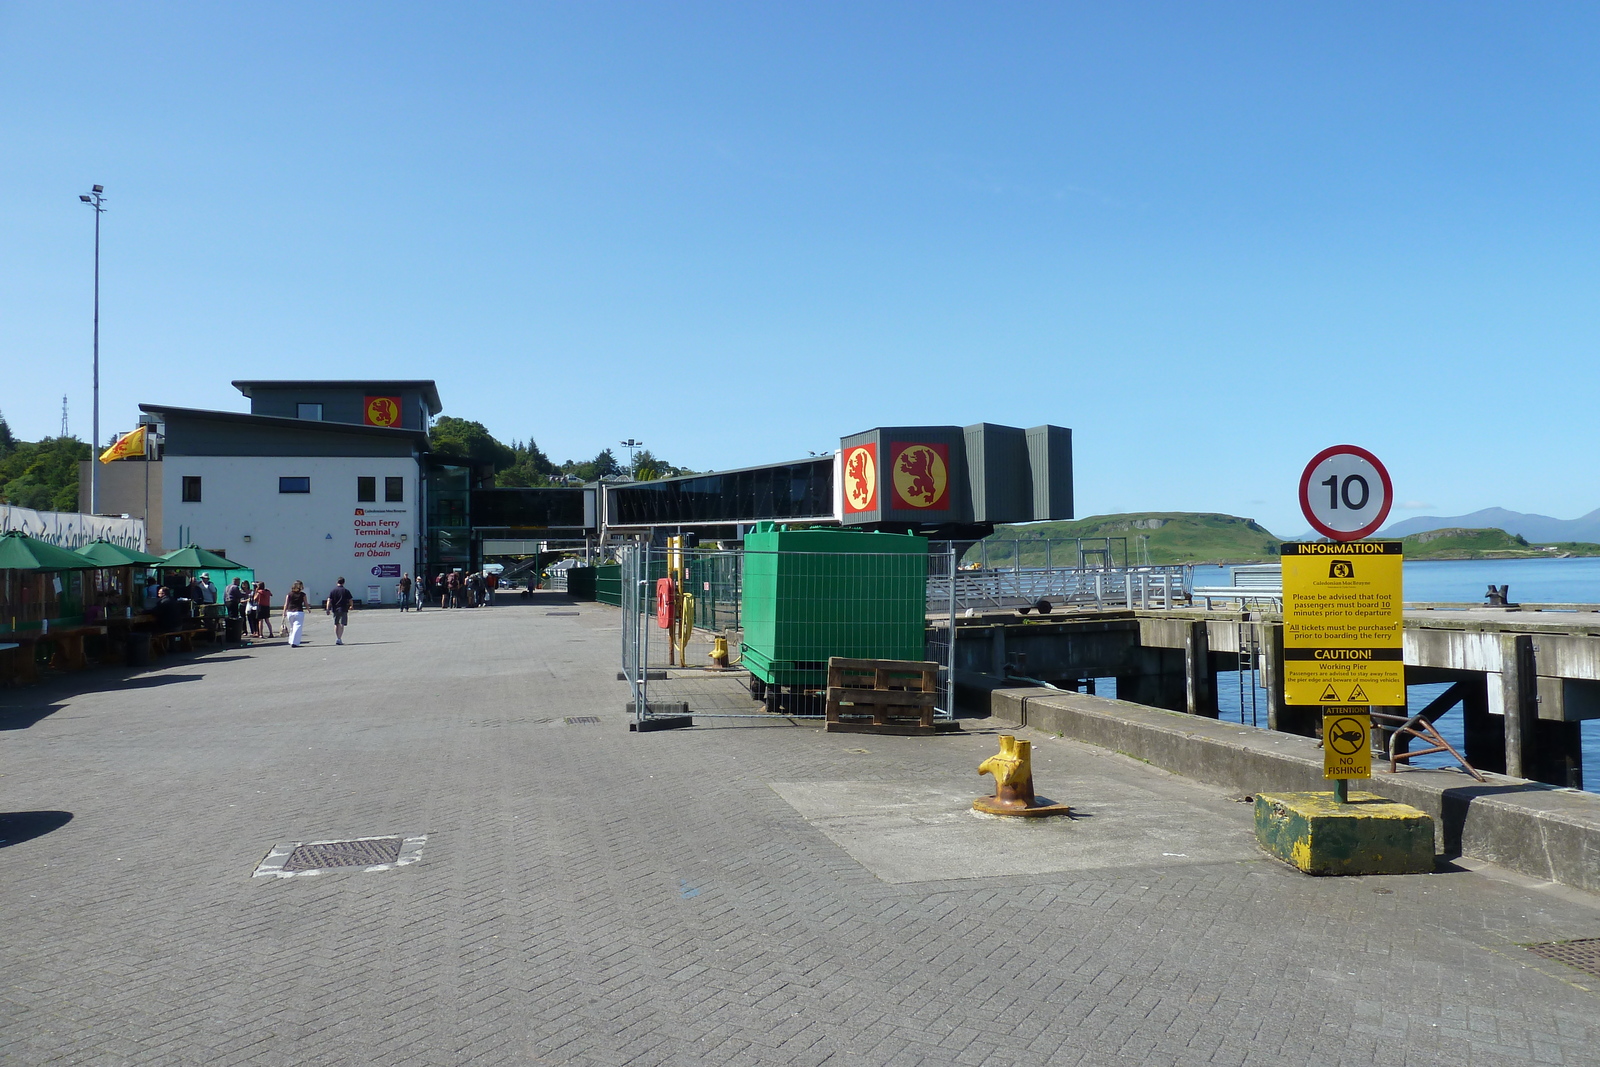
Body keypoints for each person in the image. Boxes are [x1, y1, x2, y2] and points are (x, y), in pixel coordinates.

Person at [326, 577, 354, 645]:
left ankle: (337, 638)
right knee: (342, 624)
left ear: (337, 582)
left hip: (335, 609)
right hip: (343, 609)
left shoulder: (333, 591)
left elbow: (329, 600)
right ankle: (339, 638)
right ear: (344, 582)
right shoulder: (346, 591)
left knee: (336, 624)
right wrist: (351, 606)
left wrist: (327, 608)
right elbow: (350, 599)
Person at [283, 580, 309, 648]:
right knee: (297, 627)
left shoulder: (289, 594)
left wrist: (284, 612)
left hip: (290, 612)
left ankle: (291, 640)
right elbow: (306, 603)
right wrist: (308, 609)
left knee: (292, 627)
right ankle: (294, 642)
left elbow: (286, 604)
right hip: (299, 612)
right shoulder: (303, 594)